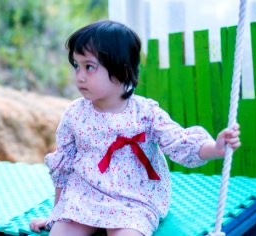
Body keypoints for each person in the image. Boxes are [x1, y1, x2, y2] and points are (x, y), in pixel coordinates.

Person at [30, 20, 241, 236]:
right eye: (77, 65)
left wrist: (214, 148)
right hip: (86, 195)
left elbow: (177, 141)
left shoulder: (146, 113)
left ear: (121, 71)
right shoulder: (75, 114)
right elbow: (63, 165)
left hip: (134, 198)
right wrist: (56, 213)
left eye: (89, 67)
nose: (80, 76)